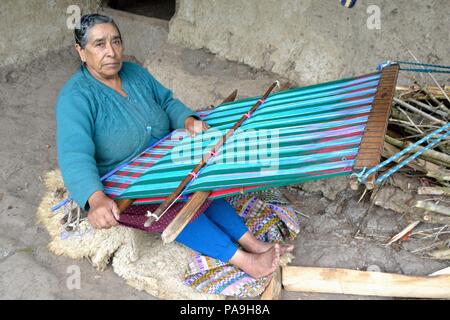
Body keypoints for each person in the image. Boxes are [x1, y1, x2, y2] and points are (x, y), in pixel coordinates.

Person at [55, 14, 293, 279]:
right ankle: (243, 259)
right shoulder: (76, 97)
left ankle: (252, 241)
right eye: (99, 44)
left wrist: (187, 119)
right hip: (126, 181)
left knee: (201, 181)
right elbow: (74, 153)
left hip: (164, 159)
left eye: (116, 41)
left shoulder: (133, 72)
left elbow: (167, 102)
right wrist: (95, 198)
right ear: (81, 51)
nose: (111, 52)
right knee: (174, 206)